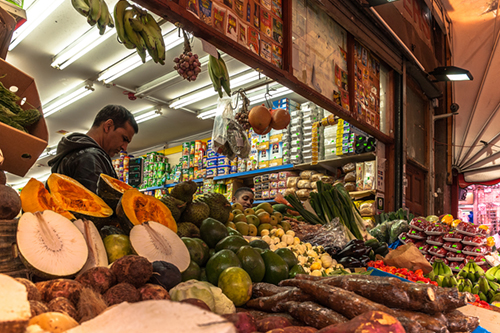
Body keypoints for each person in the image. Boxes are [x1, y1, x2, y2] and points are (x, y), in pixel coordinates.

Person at [48, 105, 138, 193]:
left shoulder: (71, 150)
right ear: (108, 126)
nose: (124, 147)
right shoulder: (90, 157)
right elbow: (95, 205)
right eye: (124, 139)